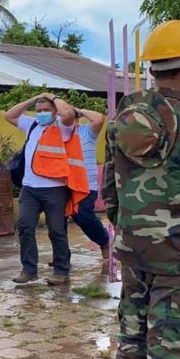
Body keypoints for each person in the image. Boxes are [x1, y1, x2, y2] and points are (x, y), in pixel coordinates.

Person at [104, 19, 180, 359]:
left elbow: (109, 186)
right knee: (170, 348)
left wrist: (127, 226)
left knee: (132, 332)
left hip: (133, 249)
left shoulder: (124, 118)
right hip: (179, 257)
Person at [5, 93, 88, 286]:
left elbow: (68, 114)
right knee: (25, 226)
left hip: (55, 189)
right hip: (30, 187)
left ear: (54, 112)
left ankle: (61, 271)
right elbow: (9, 115)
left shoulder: (63, 126)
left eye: (46, 110)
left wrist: (54, 97)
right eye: (39, 111)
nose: (41, 114)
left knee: (56, 230)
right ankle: (29, 270)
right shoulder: (32, 125)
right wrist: (33, 98)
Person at [70, 107, 110, 260]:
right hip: (63, 185)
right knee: (56, 223)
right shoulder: (58, 134)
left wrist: (79, 110)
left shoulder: (87, 132)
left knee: (84, 216)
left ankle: (104, 240)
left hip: (86, 185)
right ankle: (61, 258)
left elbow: (99, 119)